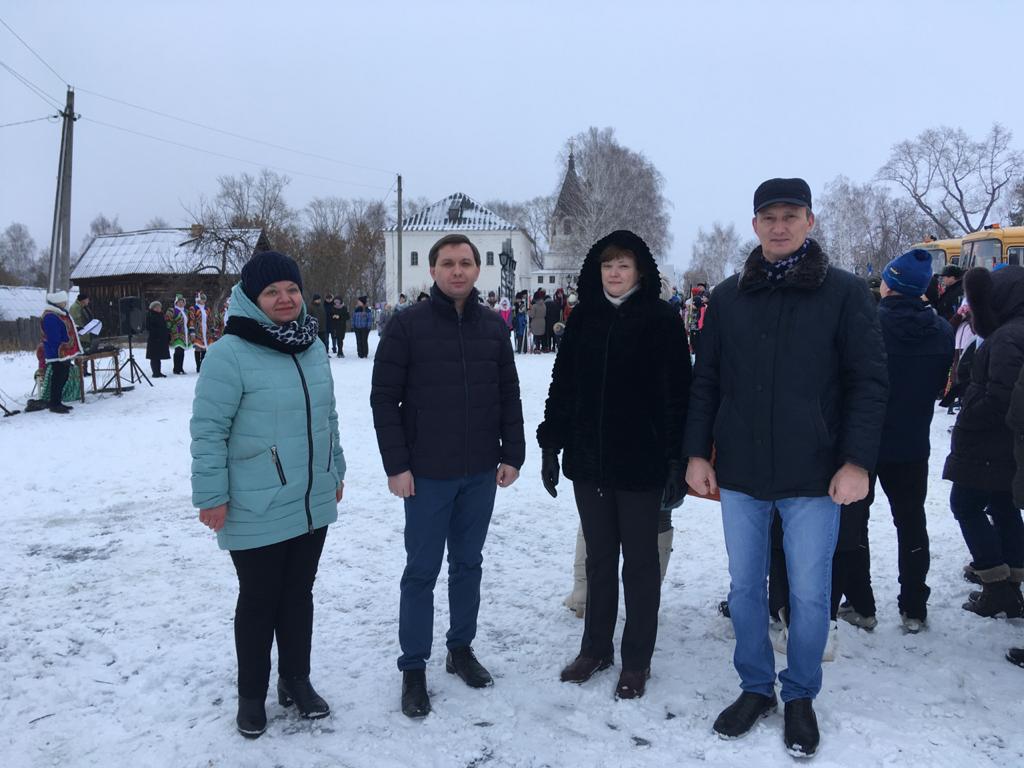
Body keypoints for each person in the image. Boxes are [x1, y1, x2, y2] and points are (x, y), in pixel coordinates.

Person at [684, 178, 887, 758]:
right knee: (745, 588)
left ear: (810, 221)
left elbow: (868, 384)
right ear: (754, 226)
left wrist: (855, 461)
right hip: (744, 472)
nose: (779, 226)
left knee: (809, 592)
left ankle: (799, 695)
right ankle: (756, 687)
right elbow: (707, 382)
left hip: (814, 474)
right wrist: (698, 452)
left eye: (790, 215)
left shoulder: (844, 294)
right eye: (768, 216)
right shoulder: (726, 298)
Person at [190, 250, 346, 739]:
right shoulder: (229, 353)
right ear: (252, 299)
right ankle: (252, 695)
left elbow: (328, 416)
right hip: (254, 503)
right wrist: (210, 496)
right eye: (272, 291)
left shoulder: (311, 345)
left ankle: (295, 681)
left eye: (292, 289)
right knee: (259, 601)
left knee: (298, 596)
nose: (285, 299)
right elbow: (208, 431)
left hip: (310, 497)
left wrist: (334, 468)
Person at [370, 233, 525, 719]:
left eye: (465, 263)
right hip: (427, 475)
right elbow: (383, 400)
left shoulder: (493, 330)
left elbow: (508, 395)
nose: (457, 271)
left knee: (468, 564)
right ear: (433, 271)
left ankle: (461, 649)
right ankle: (413, 666)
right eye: (447, 263)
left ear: (477, 270)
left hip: (479, 471)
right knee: (421, 571)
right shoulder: (407, 327)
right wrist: (397, 465)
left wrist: (512, 453)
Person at [538, 230, 690, 699]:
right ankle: (595, 648)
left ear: (639, 271)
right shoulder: (584, 319)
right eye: (608, 266)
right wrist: (551, 444)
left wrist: (675, 461)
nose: (615, 273)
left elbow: (678, 397)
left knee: (641, 565)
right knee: (600, 559)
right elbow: (563, 386)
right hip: (590, 462)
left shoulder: (662, 321)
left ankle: (637, 660)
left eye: (623, 265)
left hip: (642, 465)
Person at [833, 250, 953, 633]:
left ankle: (862, 605)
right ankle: (914, 606)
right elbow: (938, 385)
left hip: (865, 444)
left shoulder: (870, 324)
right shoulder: (943, 331)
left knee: (855, 523)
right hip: (914, 442)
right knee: (912, 521)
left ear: (891, 283)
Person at [943, 265, 1024, 619]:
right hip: (1005, 444)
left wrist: (968, 414)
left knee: (965, 505)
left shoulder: (1007, 337)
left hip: (989, 443)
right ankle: (1011, 579)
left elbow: (1002, 397)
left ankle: (995, 583)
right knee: (1004, 507)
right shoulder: (1013, 331)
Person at [38, 290, 82, 414]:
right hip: (57, 352)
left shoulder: (60, 314)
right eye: (63, 302)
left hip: (64, 352)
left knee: (63, 376)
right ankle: (54, 403)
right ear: (58, 302)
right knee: (58, 377)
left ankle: (57, 401)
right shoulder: (50, 316)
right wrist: (64, 343)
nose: (65, 304)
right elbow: (54, 336)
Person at [188, 292, 219, 373]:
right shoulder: (193, 308)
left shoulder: (207, 309)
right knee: (198, 348)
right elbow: (191, 320)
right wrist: (192, 332)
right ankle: (198, 366)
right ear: (198, 299)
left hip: (206, 332)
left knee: (205, 348)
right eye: (202, 299)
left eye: (204, 299)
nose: (204, 301)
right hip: (198, 331)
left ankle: (203, 365)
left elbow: (210, 320)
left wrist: (212, 329)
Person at [145, 300, 170, 377]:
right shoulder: (150, 315)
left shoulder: (161, 315)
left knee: (158, 357)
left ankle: (158, 372)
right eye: (157, 307)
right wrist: (156, 334)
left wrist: (167, 335)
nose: (159, 308)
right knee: (154, 357)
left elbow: (164, 326)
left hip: (161, 339)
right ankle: (155, 372)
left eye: (159, 307)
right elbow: (149, 327)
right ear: (153, 308)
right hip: (154, 339)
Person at [166, 294, 190, 374]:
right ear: (176, 303)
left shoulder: (186, 311)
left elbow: (188, 322)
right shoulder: (172, 310)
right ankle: (176, 368)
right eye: (179, 302)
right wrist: (171, 328)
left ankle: (180, 368)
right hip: (176, 333)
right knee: (178, 350)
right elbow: (168, 321)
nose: (181, 303)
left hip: (184, 333)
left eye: (182, 302)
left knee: (182, 351)